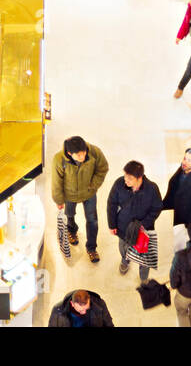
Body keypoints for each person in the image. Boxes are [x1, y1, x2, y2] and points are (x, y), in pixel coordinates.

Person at [51, 136, 109, 264]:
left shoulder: (94, 152)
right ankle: (72, 230)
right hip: (69, 195)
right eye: (78, 155)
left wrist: (93, 185)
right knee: (69, 215)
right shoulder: (59, 160)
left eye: (84, 153)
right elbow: (56, 182)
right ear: (69, 153)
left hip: (89, 193)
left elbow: (103, 168)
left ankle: (92, 248)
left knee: (92, 221)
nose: (82, 157)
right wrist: (59, 200)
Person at [106, 160, 163, 280]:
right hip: (123, 227)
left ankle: (143, 278)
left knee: (144, 256)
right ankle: (125, 260)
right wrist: (112, 224)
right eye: (125, 176)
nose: (126, 180)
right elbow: (112, 203)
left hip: (144, 230)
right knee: (123, 247)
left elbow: (156, 208)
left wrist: (143, 225)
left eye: (130, 178)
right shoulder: (119, 183)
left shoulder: (152, 189)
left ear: (139, 178)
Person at [162, 148, 191, 253]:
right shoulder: (183, 169)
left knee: (182, 247)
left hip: (187, 221)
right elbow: (174, 186)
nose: (184, 162)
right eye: (185, 158)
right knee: (179, 242)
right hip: (179, 213)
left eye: (189, 160)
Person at [48, 288, 114, 327]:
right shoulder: (58, 310)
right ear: (72, 304)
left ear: (89, 299)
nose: (84, 312)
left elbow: (109, 325)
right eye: (80, 311)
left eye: (86, 309)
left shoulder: (99, 304)